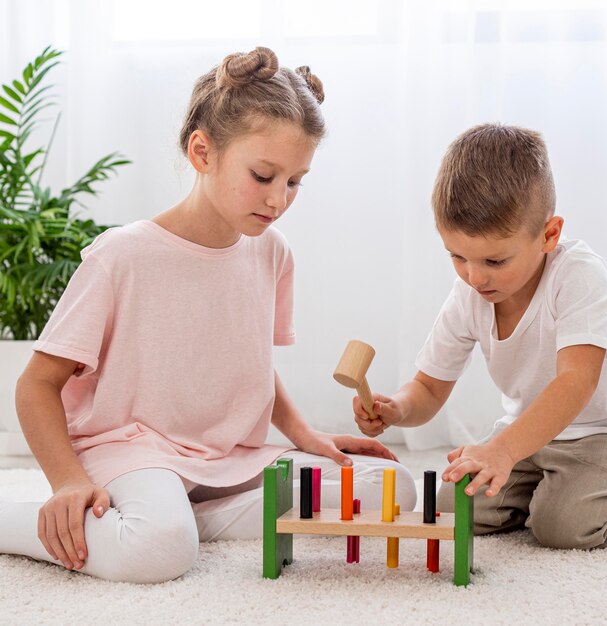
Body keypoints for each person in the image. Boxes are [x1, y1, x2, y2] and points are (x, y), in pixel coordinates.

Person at [0, 47, 416, 583]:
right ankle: (81, 521)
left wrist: (306, 435)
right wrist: (66, 484)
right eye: (263, 175)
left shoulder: (271, 252)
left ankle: (180, 517)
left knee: (390, 486)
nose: (279, 199)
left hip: (227, 456)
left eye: (294, 181)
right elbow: (36, 385)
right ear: (202, 152)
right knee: (160, 553)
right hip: (132, 449)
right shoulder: (121, 256)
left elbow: (248, 359)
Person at [354, 123, 607, 550]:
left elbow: (577, 382)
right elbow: (428, 386)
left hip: (603, 436)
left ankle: (582, 492)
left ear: (549, 235)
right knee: (451, 506)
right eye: (457, 257)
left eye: (494, 260)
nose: (474, 276)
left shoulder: (579, 277)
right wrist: (398, 409)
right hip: (522, 435)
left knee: (564, 527)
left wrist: (502, 449)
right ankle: (541, 490)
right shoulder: (471, 292)